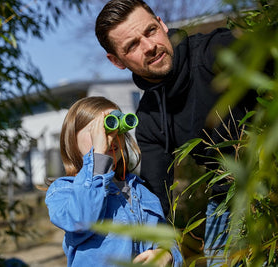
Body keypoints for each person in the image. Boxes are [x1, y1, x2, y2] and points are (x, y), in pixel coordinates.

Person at [95, 0, 258, 266]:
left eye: (150, 31)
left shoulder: (217, 51)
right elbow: (155, 197)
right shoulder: (148, 119)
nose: (150, 47)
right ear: (116, 61)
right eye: (132, 46)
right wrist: (163, 249)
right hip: (228, 200)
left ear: (162, 24)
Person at [45, 96, 183, 267]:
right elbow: (80, 219)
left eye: (116, 126)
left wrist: (166, 254)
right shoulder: (64, 190)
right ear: (73, 140)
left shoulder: (139, 189)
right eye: (99, 130)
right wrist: (98, 160)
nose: (109, 136)